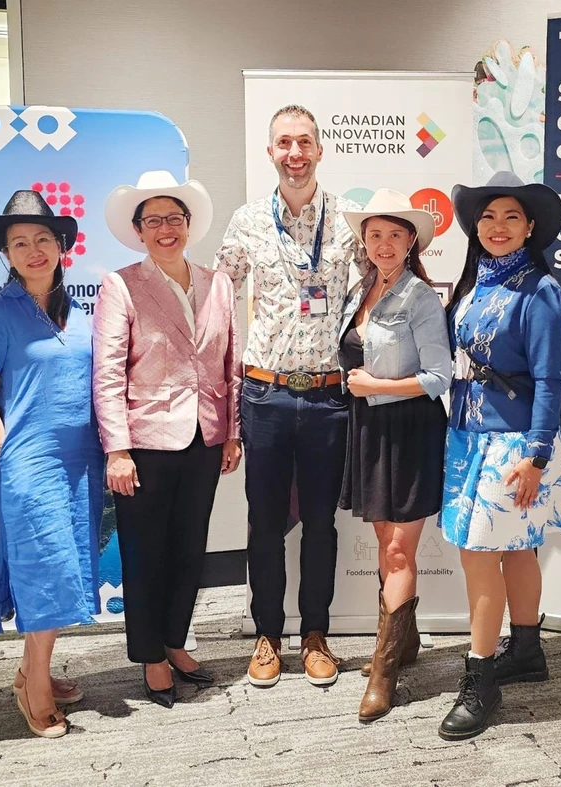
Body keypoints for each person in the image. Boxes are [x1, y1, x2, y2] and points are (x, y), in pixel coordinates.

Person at [215, 104, 368, 688]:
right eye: (284, 144)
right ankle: (267, 636)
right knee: (264, 523)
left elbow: (373, 295)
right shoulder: (248, 220)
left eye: (304, 142)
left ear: (320, 150)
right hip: (267, 396)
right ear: (271, 152)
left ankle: (315, 634)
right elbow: (215, 298)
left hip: (330, 397)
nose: (295, 153)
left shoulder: (348, 224)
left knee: (323, 524)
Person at [94, 171, 242, 709]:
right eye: (153, 220)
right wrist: (117, 448)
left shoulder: (217, 283)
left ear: (188, 225)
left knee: (189, 549)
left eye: (174, 219)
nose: (165, 229)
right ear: (138, 230)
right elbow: (108, 373)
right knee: (144, 553)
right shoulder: (122, 284)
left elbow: (231, 365)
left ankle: (176, 640)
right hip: (146, 445)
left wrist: (232, 432)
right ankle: (150, 655)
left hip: (205, 437)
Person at [437, 171, 561, 742]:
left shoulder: (541, 292)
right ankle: (527, 650)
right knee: (517, 552)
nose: (497, 227)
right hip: (468, 436)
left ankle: (481, 680)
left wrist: (536, 456)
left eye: (511, 217)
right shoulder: (472, 286)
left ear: (531, 227)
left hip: (516, 446)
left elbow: (550, 380)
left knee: (479, 556)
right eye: (488, 217)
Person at [0, 190, 104, 737]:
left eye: (43, 238)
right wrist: (9, 456)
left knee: (63, 569)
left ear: (62, 245)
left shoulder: (81, 313)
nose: (33, 250)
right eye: (19, 242)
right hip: (29, 464)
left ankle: (31, 668)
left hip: (81, 464)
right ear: (5, 252)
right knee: (45, 569)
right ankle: (37, 688)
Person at [336, 189, 451, 721]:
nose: (383, 244)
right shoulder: (361, 290)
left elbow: (438, 377)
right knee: (386, 544)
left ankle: (384, 674)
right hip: (369, 428)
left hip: (408, 429)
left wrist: (373, 388)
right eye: (374, 234)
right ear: (365, 241)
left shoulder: (421, 298)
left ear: (412, 242)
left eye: (394, 235)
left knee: (400, 552)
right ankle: (404, 643)